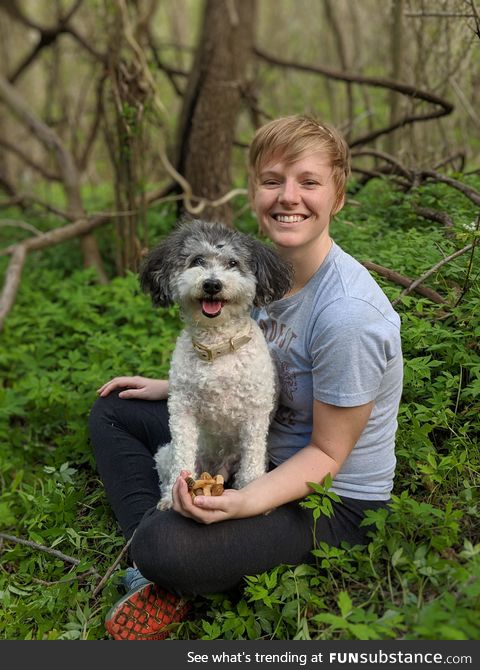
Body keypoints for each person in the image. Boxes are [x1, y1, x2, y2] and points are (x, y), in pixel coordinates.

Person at [89, 115, 403, 640]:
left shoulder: (348, 315)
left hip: (329, 500)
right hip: (252, 440)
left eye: (309, 182)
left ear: (339, 196)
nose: (288, 197)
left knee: (165, 545)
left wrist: (245, 501)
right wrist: (177, 386)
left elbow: (328, 457)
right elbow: (252, 366)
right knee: (114, 408)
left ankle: (157, 557)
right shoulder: (257, 272)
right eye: (272, 180)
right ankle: (167, 539)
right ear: (254, 189)